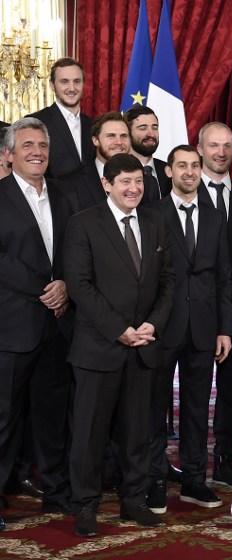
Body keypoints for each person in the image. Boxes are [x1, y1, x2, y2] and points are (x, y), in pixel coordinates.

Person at [64, 153, 175, 537]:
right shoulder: (83, 224)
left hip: (144, 346)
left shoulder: (156, 222)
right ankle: (85, 505)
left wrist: (151, 326)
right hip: (99, 348)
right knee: (89, 433)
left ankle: (133, 501)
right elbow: (79, 285)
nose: (133, 189)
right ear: (107, 184)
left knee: (137, 432)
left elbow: (168, 283)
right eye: (124, 182)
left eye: (138, 182)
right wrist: (119, 330)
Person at [146, 145, 232, 514]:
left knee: (197, 408)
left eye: (195, 166)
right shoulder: (153, 214)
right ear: (169, 172)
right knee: (152, 409)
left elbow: (224, 277)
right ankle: (153, 483)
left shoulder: (215, 217)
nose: (190, 172)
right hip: (163, 327)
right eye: (182, 166)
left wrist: (224, 329)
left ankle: (195, 480)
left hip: (204, 327)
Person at [0, 118, 76, 531]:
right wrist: (46, 286)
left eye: (42, 145)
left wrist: (64, 283)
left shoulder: (65, 197)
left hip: (58, 326)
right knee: (4, 418)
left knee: (53, 416)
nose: (37, 151)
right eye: (27, 144)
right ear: (9, 154)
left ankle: (57, 493)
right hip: (12, 327)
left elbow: (76, 249)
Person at [196, 122, 232, 489]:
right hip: (194, 311)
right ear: (199, 149)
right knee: (194, 394)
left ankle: (226, 460)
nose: (220, 152)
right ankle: (192, 464)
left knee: (230, 393)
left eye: (227, 146)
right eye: (213, 145)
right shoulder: (181, 194)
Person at [29, 57, 95, 179]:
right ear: (52, 85)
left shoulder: (94, 125)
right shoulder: (35, 123)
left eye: (77, 81)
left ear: (83, 84)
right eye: (64, 82)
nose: (71, 88)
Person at [62, 112, 130, 211]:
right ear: (95, 140)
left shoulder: (145, 182)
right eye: (111, 136)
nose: (119, 142)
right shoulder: (71, 184)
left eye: (123, 136)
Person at [124, 105, 171, 204]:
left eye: (155, 128)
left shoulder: (169, 171)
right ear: (128, 133)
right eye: (142, 128)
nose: (151, 134)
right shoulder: (118, 170)